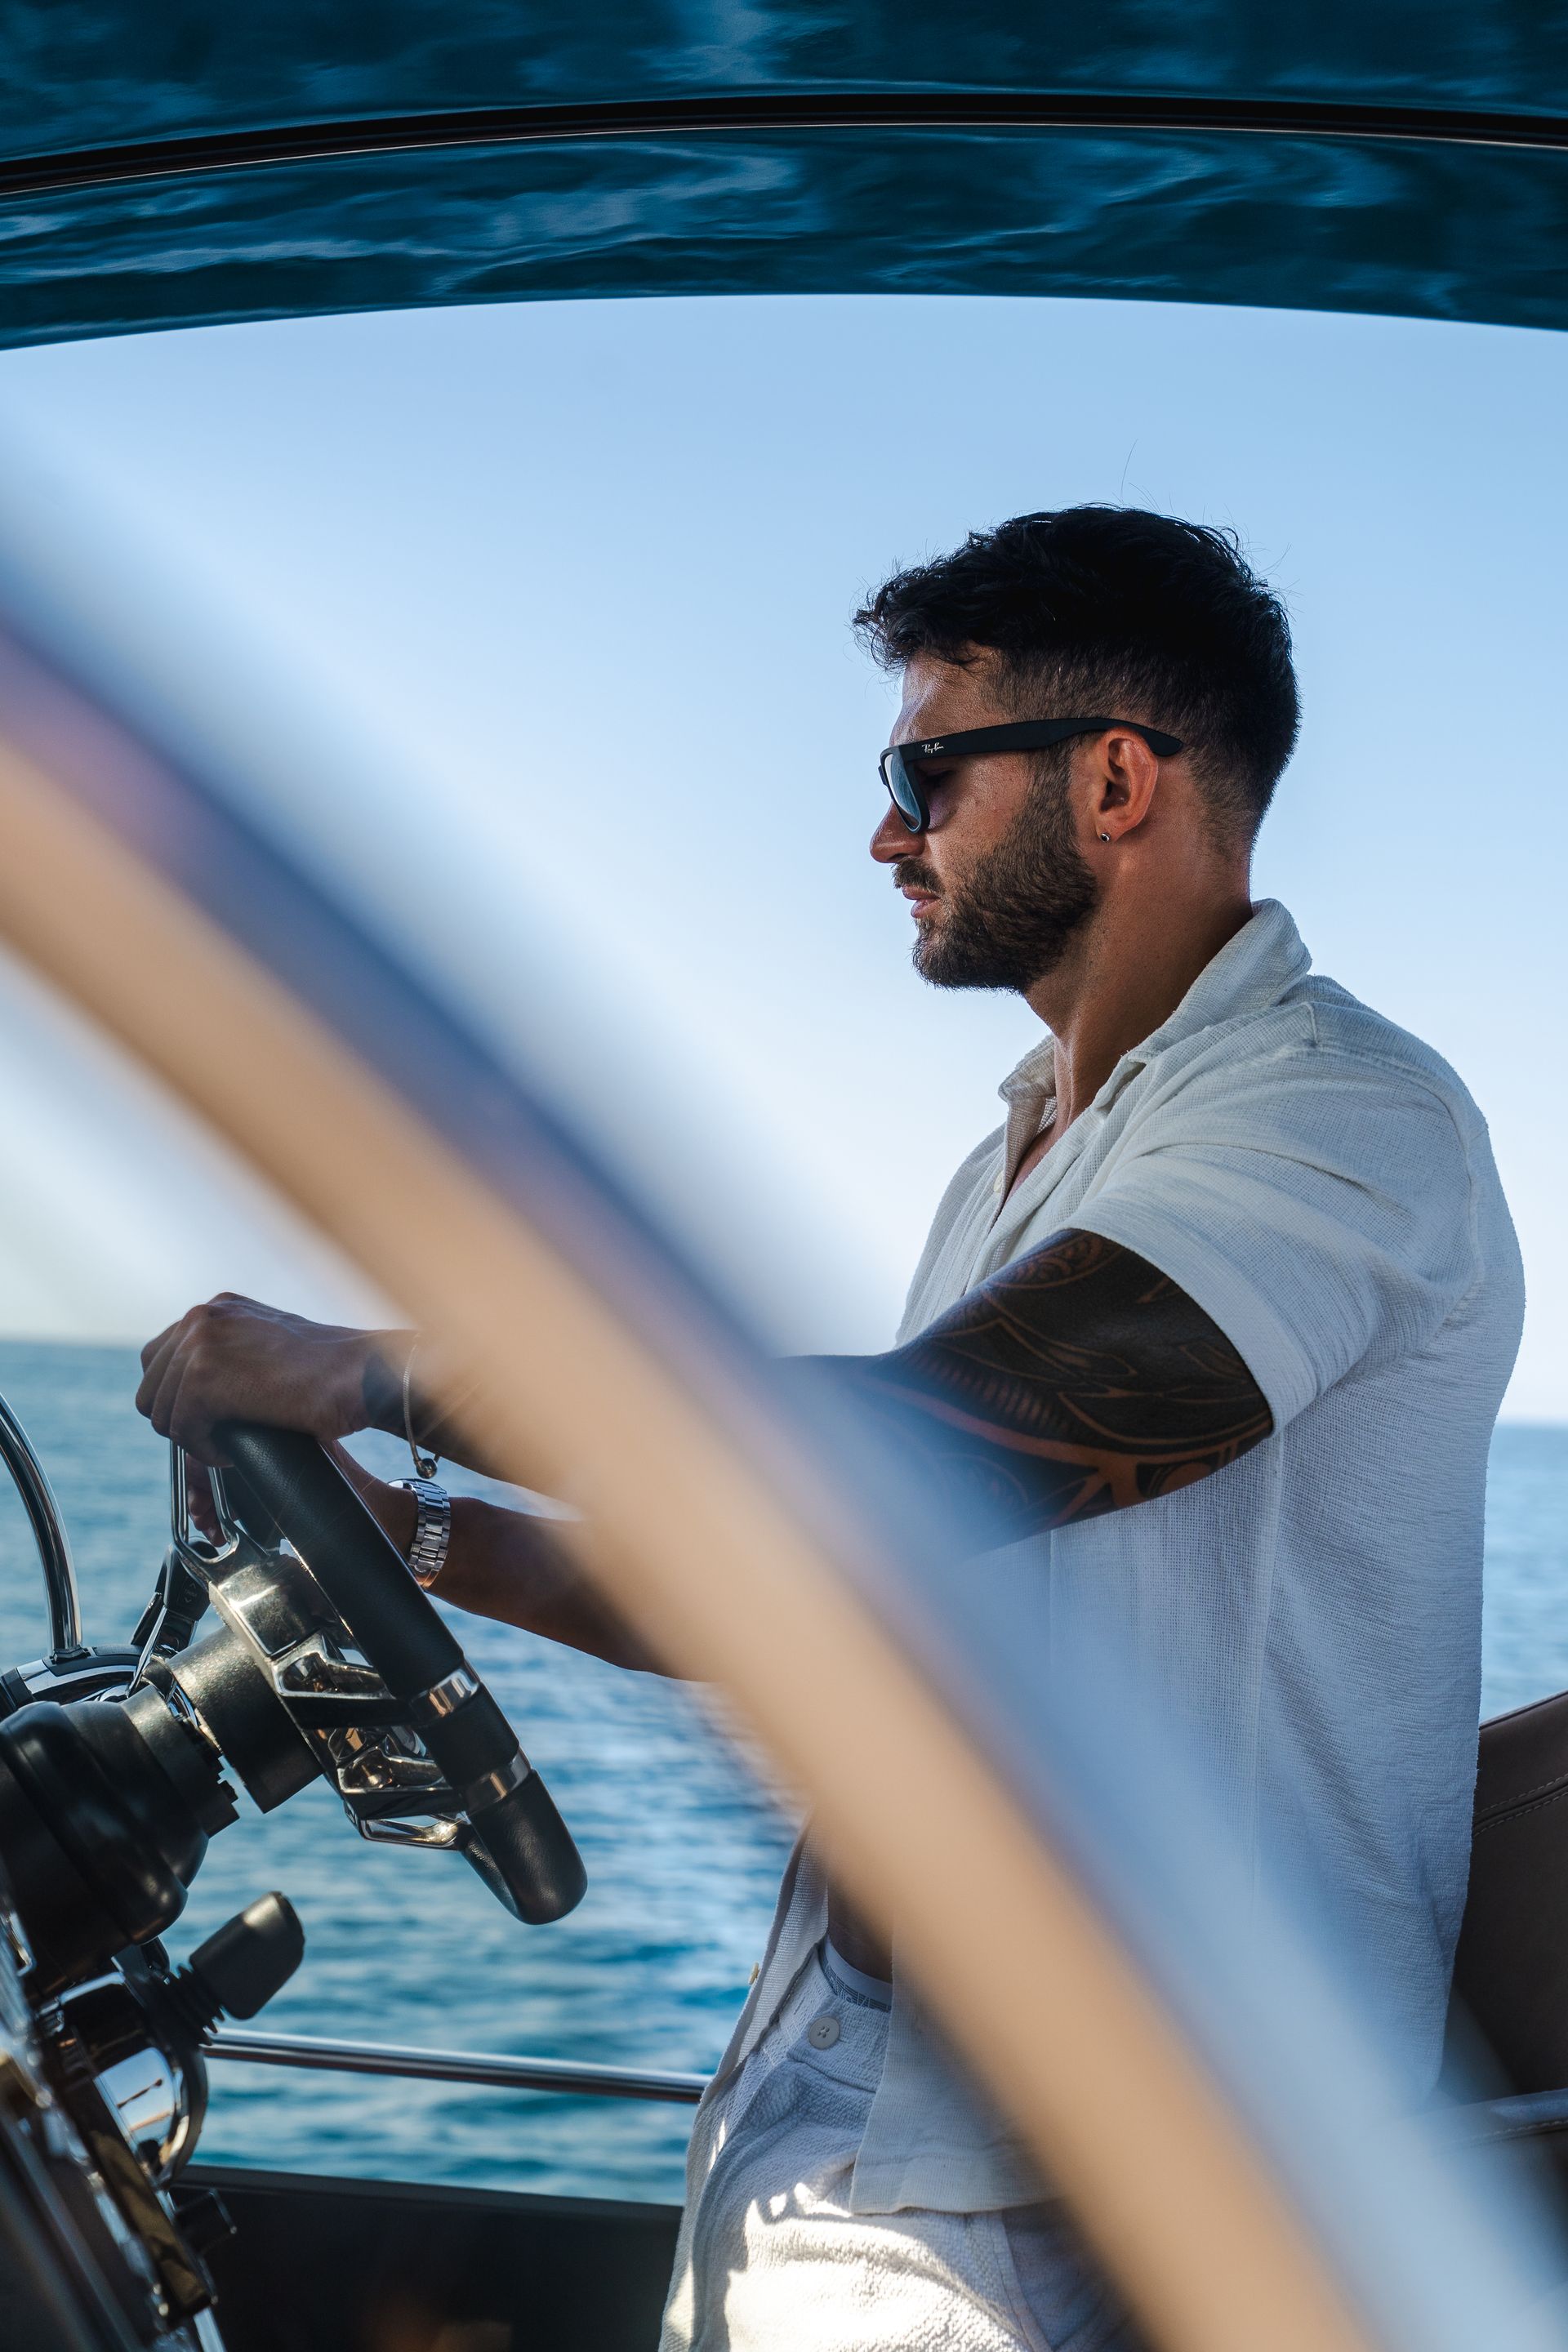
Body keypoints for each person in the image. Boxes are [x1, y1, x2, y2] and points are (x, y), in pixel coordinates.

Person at [137, 506, 1523, 2352]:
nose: (889, 834)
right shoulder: (1021, 1152)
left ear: (1115, 780)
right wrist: (428, 1546)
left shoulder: (1342, 1118)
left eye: (927, 774)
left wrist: (370, 1368)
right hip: (872, 2084)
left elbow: (925, 1451)